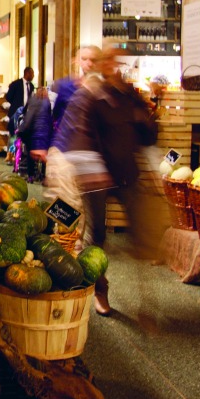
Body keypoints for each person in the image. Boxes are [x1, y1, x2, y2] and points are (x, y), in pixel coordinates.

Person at [56, 48, 166, 316]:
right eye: (107, 61)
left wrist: (153, 109)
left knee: (140, 235)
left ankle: (147, 299)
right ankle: (99, 290)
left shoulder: (129, 95)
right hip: (96, 177)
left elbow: (147, 137)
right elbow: (79, 133)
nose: (112, 66)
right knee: (98, 237)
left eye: (116, 61)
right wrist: (90, 167)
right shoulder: (90, 95)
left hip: (126, 173)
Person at [51, 46, 99, 145]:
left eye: (93, 60)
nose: (89, 63)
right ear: (76, 61)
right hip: (67, 144)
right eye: (84, 59)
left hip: (91, 145)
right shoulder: (64, 86)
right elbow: (55, 115)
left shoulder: (102, 89)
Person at [18, 86, 54, 183]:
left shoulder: (33, 100)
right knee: (43, 154)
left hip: (32, 130)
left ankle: (30, 176)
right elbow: (49, 116)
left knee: (30, 153)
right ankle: (42, 175)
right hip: (45, 131)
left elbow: (25, 112)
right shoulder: (48, 103)